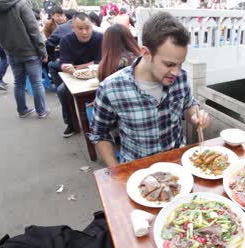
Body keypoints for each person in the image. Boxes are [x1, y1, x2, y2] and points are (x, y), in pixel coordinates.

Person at [89, 12, 210, 166]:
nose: (177, 72)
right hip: (138, 169)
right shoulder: (111, 88)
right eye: (169, 64)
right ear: (146, 53)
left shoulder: (181, 78)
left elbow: (189, 104)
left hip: (178, 162)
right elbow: (100, 134)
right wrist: (117, 172)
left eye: (180, 64)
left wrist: (195, 115)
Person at [0, 0, 50, 118]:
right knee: (36, 82)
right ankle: (42, 111)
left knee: (18, 82)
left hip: (10, 50)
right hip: (29, 50)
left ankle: (22, 110)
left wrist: (1, 42)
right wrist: (42, 50)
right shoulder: (21, 3)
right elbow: (33, 29)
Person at [58, 12, 103, 137]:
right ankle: (71, 124)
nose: (85, 32)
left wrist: (78, 67)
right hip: (74, 76)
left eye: (87, 28)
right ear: (73, 28)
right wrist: (66, 67)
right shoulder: (66, 40)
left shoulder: (99, 37)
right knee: (62, 91)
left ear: (92, 26)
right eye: (80, 28)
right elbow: (63, 62)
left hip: (97, 75)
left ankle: (106, 123)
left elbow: (100, 61)